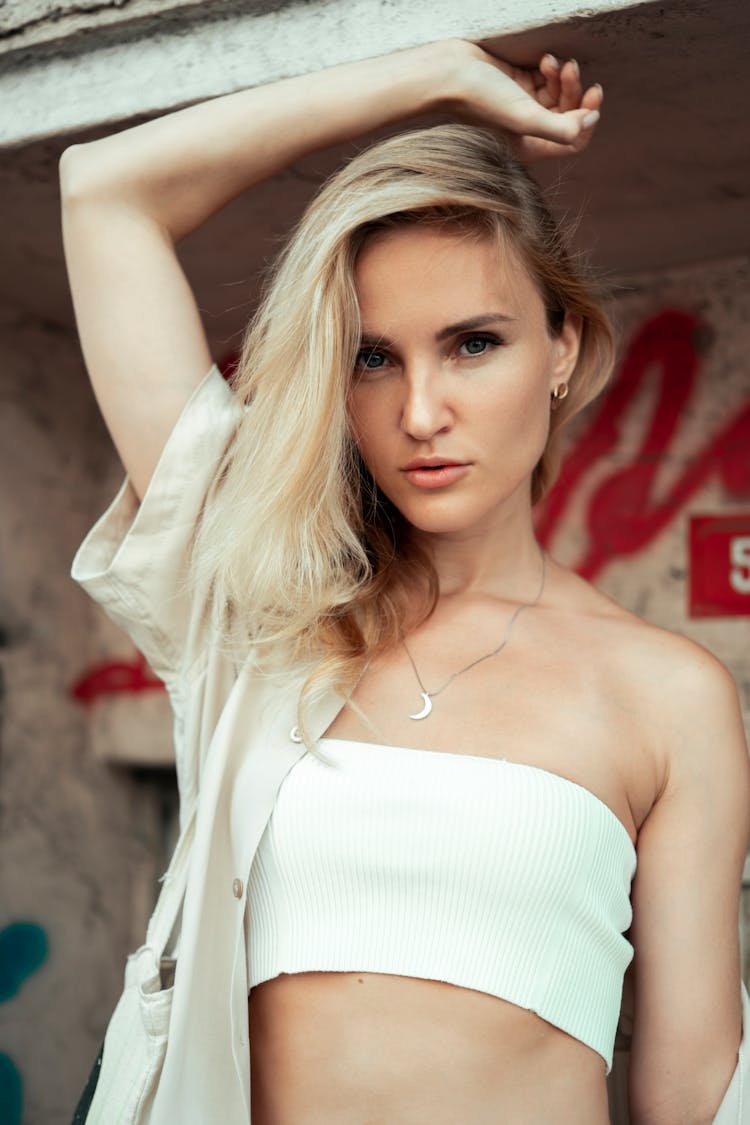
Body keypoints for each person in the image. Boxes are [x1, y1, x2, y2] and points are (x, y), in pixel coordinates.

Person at [60, 36, 750, 1125]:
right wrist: (424, 75)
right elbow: (102, 196)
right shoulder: (259, 606)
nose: (420, 412)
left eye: (474, 344)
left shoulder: (669, 697)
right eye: (373, 356)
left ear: (562, 347)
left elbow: (694, 1097)